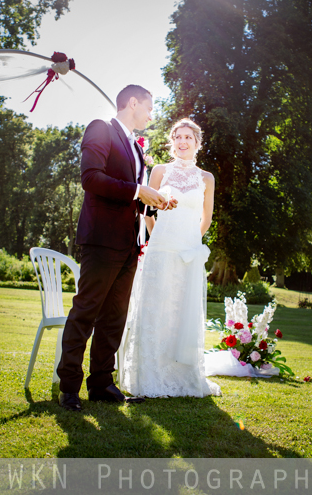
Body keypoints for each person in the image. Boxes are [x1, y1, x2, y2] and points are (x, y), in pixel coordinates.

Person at [56, 85, 174, 412]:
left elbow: (132, 196)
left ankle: (101, 384)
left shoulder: (137, 149)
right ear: (132, 103)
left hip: (130, 243)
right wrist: (139, 190)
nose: (152, 115)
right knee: (86, 311)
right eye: (149, 108)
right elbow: (91, 178)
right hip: (102, 239)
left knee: (114, 317)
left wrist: (155, 202)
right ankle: (69, 387)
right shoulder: (101, 129)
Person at [120, 118, 220, 397]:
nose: (183, 142)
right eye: (178, 137)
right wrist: (158, 237)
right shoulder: (160, 171)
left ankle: (182, 376)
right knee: (157, 309)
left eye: (188, 137)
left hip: (188, 253)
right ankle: (150, 376)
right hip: (161, 249)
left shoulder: (206, 178)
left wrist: (190, 242)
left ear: (197, 143)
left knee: (181, 312)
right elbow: (148, 212)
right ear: (172, 141)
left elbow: (206, 218)